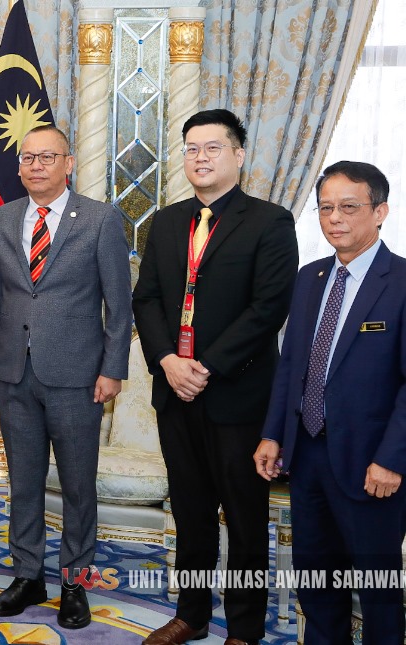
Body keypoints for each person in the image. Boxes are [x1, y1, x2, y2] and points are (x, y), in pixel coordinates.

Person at [132, 109, 298, 645]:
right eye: (191, 149)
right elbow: (147, 299)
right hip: (174, 392)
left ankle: (244, 630)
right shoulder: (167, 221)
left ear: (238, 155)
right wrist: (167, 360)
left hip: (236, 395)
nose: (199, 158)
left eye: (212, 148)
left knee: (245, 517)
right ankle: (192, 615)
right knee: (191, 511)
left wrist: (204, 367)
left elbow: (268, 308)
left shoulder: (270, 222)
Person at [0, 125, 131, 627]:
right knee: (23, 482)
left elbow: (119, 305)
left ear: (69, 163)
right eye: (28, 158)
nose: (36, 165)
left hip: (77, 376)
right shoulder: (2, 218)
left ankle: (74, 582)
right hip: (13, 373)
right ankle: (28, 575)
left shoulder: (101, 219)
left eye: (47, 157)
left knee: (77, 486)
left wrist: (112, 370)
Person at [256, 161, 406, 644]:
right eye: (325, 208)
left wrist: (391, 459)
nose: (335, 218)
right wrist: (273, 434)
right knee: (316, 581)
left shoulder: (401, 282)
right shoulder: (310, 277)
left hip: (372, 463)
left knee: (378, 590)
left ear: (380, 212)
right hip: (308, 455)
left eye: (348, 207)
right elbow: (291, 366)